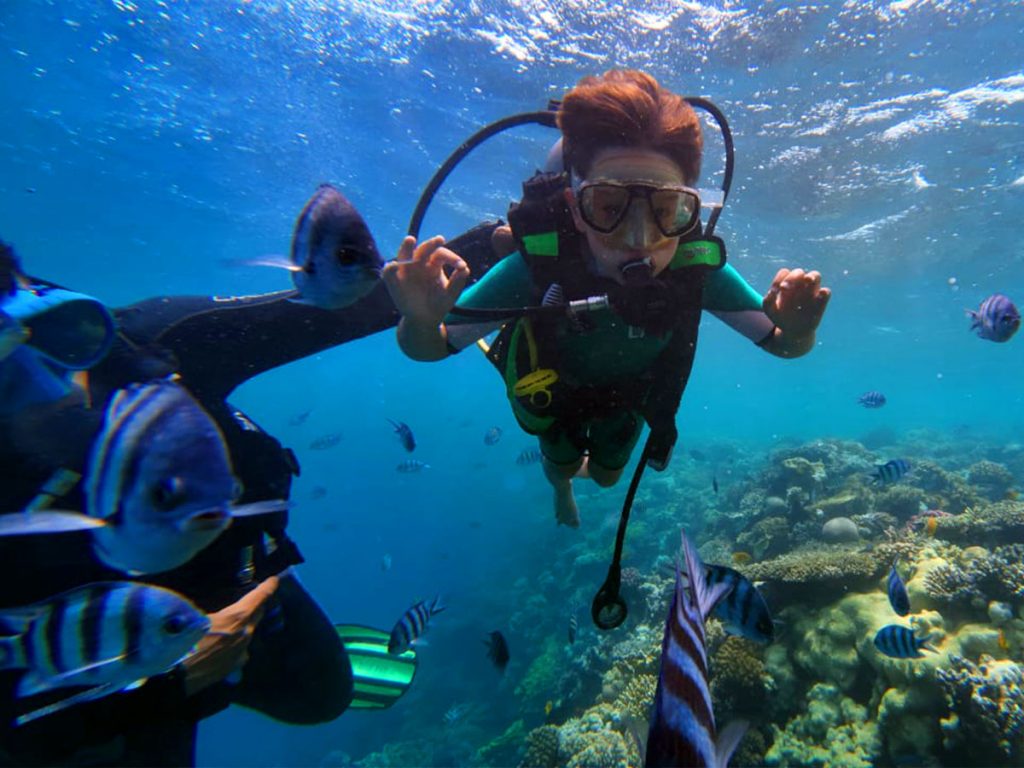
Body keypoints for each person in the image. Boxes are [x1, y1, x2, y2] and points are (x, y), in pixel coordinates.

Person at [0, 222, 469, 765]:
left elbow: (336, 303)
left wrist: (519, 237)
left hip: (241, 583)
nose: (47, 388)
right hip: (105, 675)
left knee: (324, 693)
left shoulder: (158, 340)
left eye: (54, 335)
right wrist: (168, 686)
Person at [383, 69, 831, 527]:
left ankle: (577, 476)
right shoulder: (539, 265)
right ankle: (560, 488)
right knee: (559, 466)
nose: (639, 239)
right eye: (608, 207)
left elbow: (782, 343)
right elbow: (432, 346)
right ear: (575, 210)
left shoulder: (693, 268)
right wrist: (418, 321)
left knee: (607, 478)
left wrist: (800, 330)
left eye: (665, 211)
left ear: (689, 209)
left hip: (627, 399)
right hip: (554, 394)